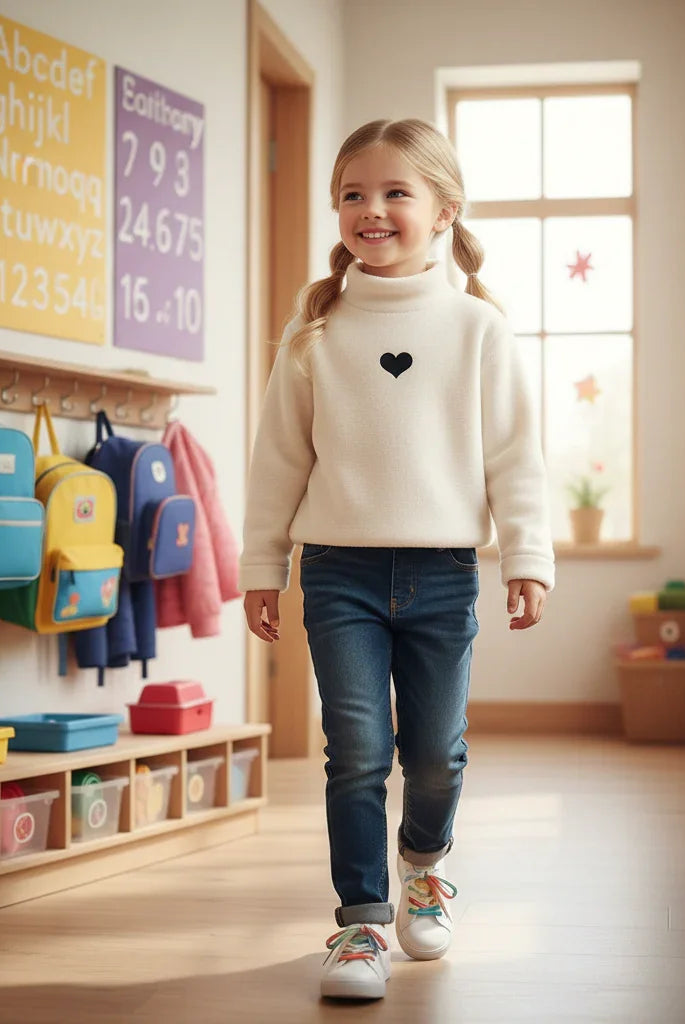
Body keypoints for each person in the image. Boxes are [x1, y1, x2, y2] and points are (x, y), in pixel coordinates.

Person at [239, 118, 554, 1001]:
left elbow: (515, 456)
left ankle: (423, 866)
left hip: (445, 574)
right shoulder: (315, 332)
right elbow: (278, 462)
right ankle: (361, 923)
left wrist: (527, 555)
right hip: (337, 572)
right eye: (352, 194)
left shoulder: (477, 328)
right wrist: (264, 568)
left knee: (437, 754)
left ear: (444, 209)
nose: (370, 210)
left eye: (393, 193)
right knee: (357, 751)